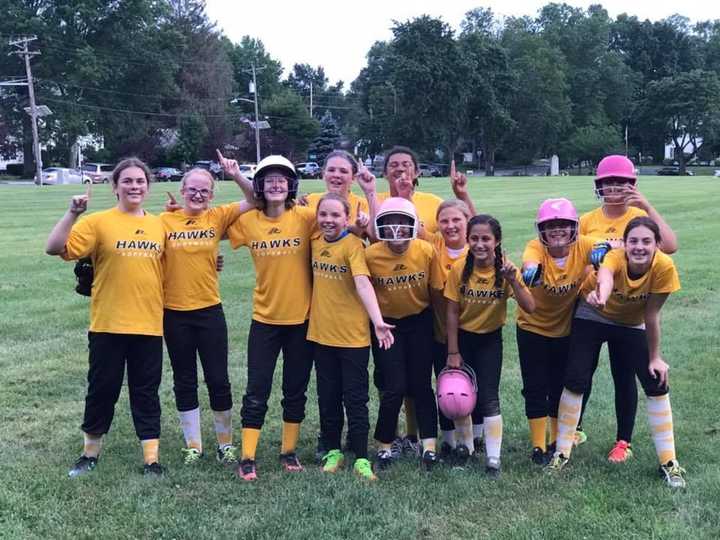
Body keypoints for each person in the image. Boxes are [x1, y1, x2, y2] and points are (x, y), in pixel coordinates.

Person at [46, 158, 166, 477]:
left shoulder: (160, 225)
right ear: (114, 187)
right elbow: (53, 247)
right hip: (108, 324)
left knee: (145, 392)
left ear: (148, 187)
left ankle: (151, 460)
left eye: (140, 181)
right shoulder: (98, 222)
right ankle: (89, 454)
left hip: (148, 324)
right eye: (127, 181)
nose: (134, 186)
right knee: (102, 389)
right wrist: (73, 213)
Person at [548, 217, 686, 489]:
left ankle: (669, 462)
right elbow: (606, 276)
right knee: (576, 377)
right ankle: (561, 453)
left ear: (657, 244)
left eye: (646, 241)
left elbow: (652, 314)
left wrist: (655, 357)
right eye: (633, 241)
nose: (639, 247)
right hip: (593, 312)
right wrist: (601, 294)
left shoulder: (664, 267)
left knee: (655, 380)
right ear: (625, 243)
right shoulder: (614, 258)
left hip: (631, 322)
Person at [573, 154, 679, 458]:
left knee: (624, 374)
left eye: (621, 182)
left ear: (632, 184)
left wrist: (645, 205)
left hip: (629, 314)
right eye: (608, 182)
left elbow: (669, 245)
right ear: (599, 186)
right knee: (583, 371)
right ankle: (576, 427)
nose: (615, 187)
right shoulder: (588, 220)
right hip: (592, 306)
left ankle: (623, 441)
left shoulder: (639, 218)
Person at [225, 155, 316, 481]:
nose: (276, 184)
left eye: (282, 179)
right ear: (260, 186)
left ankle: (288, 451)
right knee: (257, 389)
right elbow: (210, 231)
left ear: (291, 185)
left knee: (295, 389)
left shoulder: (307, 217)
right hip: (264, 319)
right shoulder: (248, 222)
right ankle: (247, 456)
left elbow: (338, 222)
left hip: (302, 320)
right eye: (268, 180)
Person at [160, 167, 253, 466]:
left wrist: (236, 175)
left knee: (218, 379)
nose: (198, 195)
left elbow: (254, 198)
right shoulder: (164, 221)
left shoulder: (217, 216)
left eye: (205, 190)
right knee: (184, 380)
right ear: (182, 190)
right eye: (193, 189)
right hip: (174, 313)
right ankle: (194, 445)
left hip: (210, 311)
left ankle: (225, 444)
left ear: (212, 195)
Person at [308, 193, 395, 481]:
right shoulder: (314, 242)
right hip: (322, 336)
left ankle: (360, 456)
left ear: (345, 218)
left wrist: (378, 321)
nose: (328, 220)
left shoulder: (353, 245)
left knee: (355, 399)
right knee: (327, 398)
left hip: (353, 338)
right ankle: (333, 451)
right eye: (323, 215)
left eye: (335, 215)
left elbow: (362, 283)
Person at [445, 215, 535, 476]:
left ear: (497, 242)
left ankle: (493, 458)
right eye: (474, 238)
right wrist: (453, 351)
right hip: (463, 338)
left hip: (489, 341)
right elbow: (451, 312)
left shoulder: (506, 270)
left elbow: (530, 307)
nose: (480, 244)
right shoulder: (459, 269)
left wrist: (514, 281)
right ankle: (467, 448)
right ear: (467, 239)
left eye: (486, 239)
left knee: (488, 397)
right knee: (459, 396)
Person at [517, 198, 599, 464]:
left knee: (558, 385)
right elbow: (529, 264)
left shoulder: (583, 245)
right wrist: (531, 273)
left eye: (563, 224)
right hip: (532, 328)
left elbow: (607, 249)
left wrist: (605, 252)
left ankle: (555, 440)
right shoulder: (535, 247)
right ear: (541, 229)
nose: (557, 230)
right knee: (535, 386)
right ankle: (538, 445)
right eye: (550, 225)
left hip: (563, 330)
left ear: (574, 226)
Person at [365, 198, 444, 471]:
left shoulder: (425, 250)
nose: (396, 231)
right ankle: (384, 445)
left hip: (420, 321)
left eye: (402, 223)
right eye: (389, 224)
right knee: (394, 386)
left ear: (413, 224)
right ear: (380, 227)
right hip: (386, 325)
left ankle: (429, 444)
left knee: (421, 385)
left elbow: (435, 292)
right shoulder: (372, 254)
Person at [427, 198, 471, 457]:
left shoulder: (477, 249)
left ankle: (472, 440)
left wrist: (464, 195)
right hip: (440, 330)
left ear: (467, 223)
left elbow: (489, 230)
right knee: (444, 385)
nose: (450, 225)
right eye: (444, 220)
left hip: (472, 331)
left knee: (470, 386)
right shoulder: (433, 246)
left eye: (457, 220)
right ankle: (449, 441)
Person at [304, 150, 370, 228]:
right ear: (323, 174)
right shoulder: (308, 201)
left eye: (343, 171)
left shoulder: (363, 205)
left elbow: (374, 237)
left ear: (353, 177)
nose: (336, 175)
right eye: (331, 170)